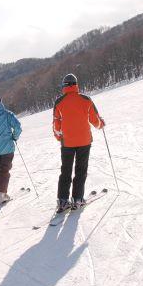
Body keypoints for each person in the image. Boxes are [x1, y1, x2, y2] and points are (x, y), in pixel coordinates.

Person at [53, 74, 105, 212]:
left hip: (67, 143)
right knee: (81, 170)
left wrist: (60, 138)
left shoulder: (59, 102)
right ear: (76, 84)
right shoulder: (86, 99)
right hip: (84, 141)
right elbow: (95, 119)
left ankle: (63, 201)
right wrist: (101, 125)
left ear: (64, 86)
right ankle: (77, 199)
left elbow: (56, 125)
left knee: (66, 171)